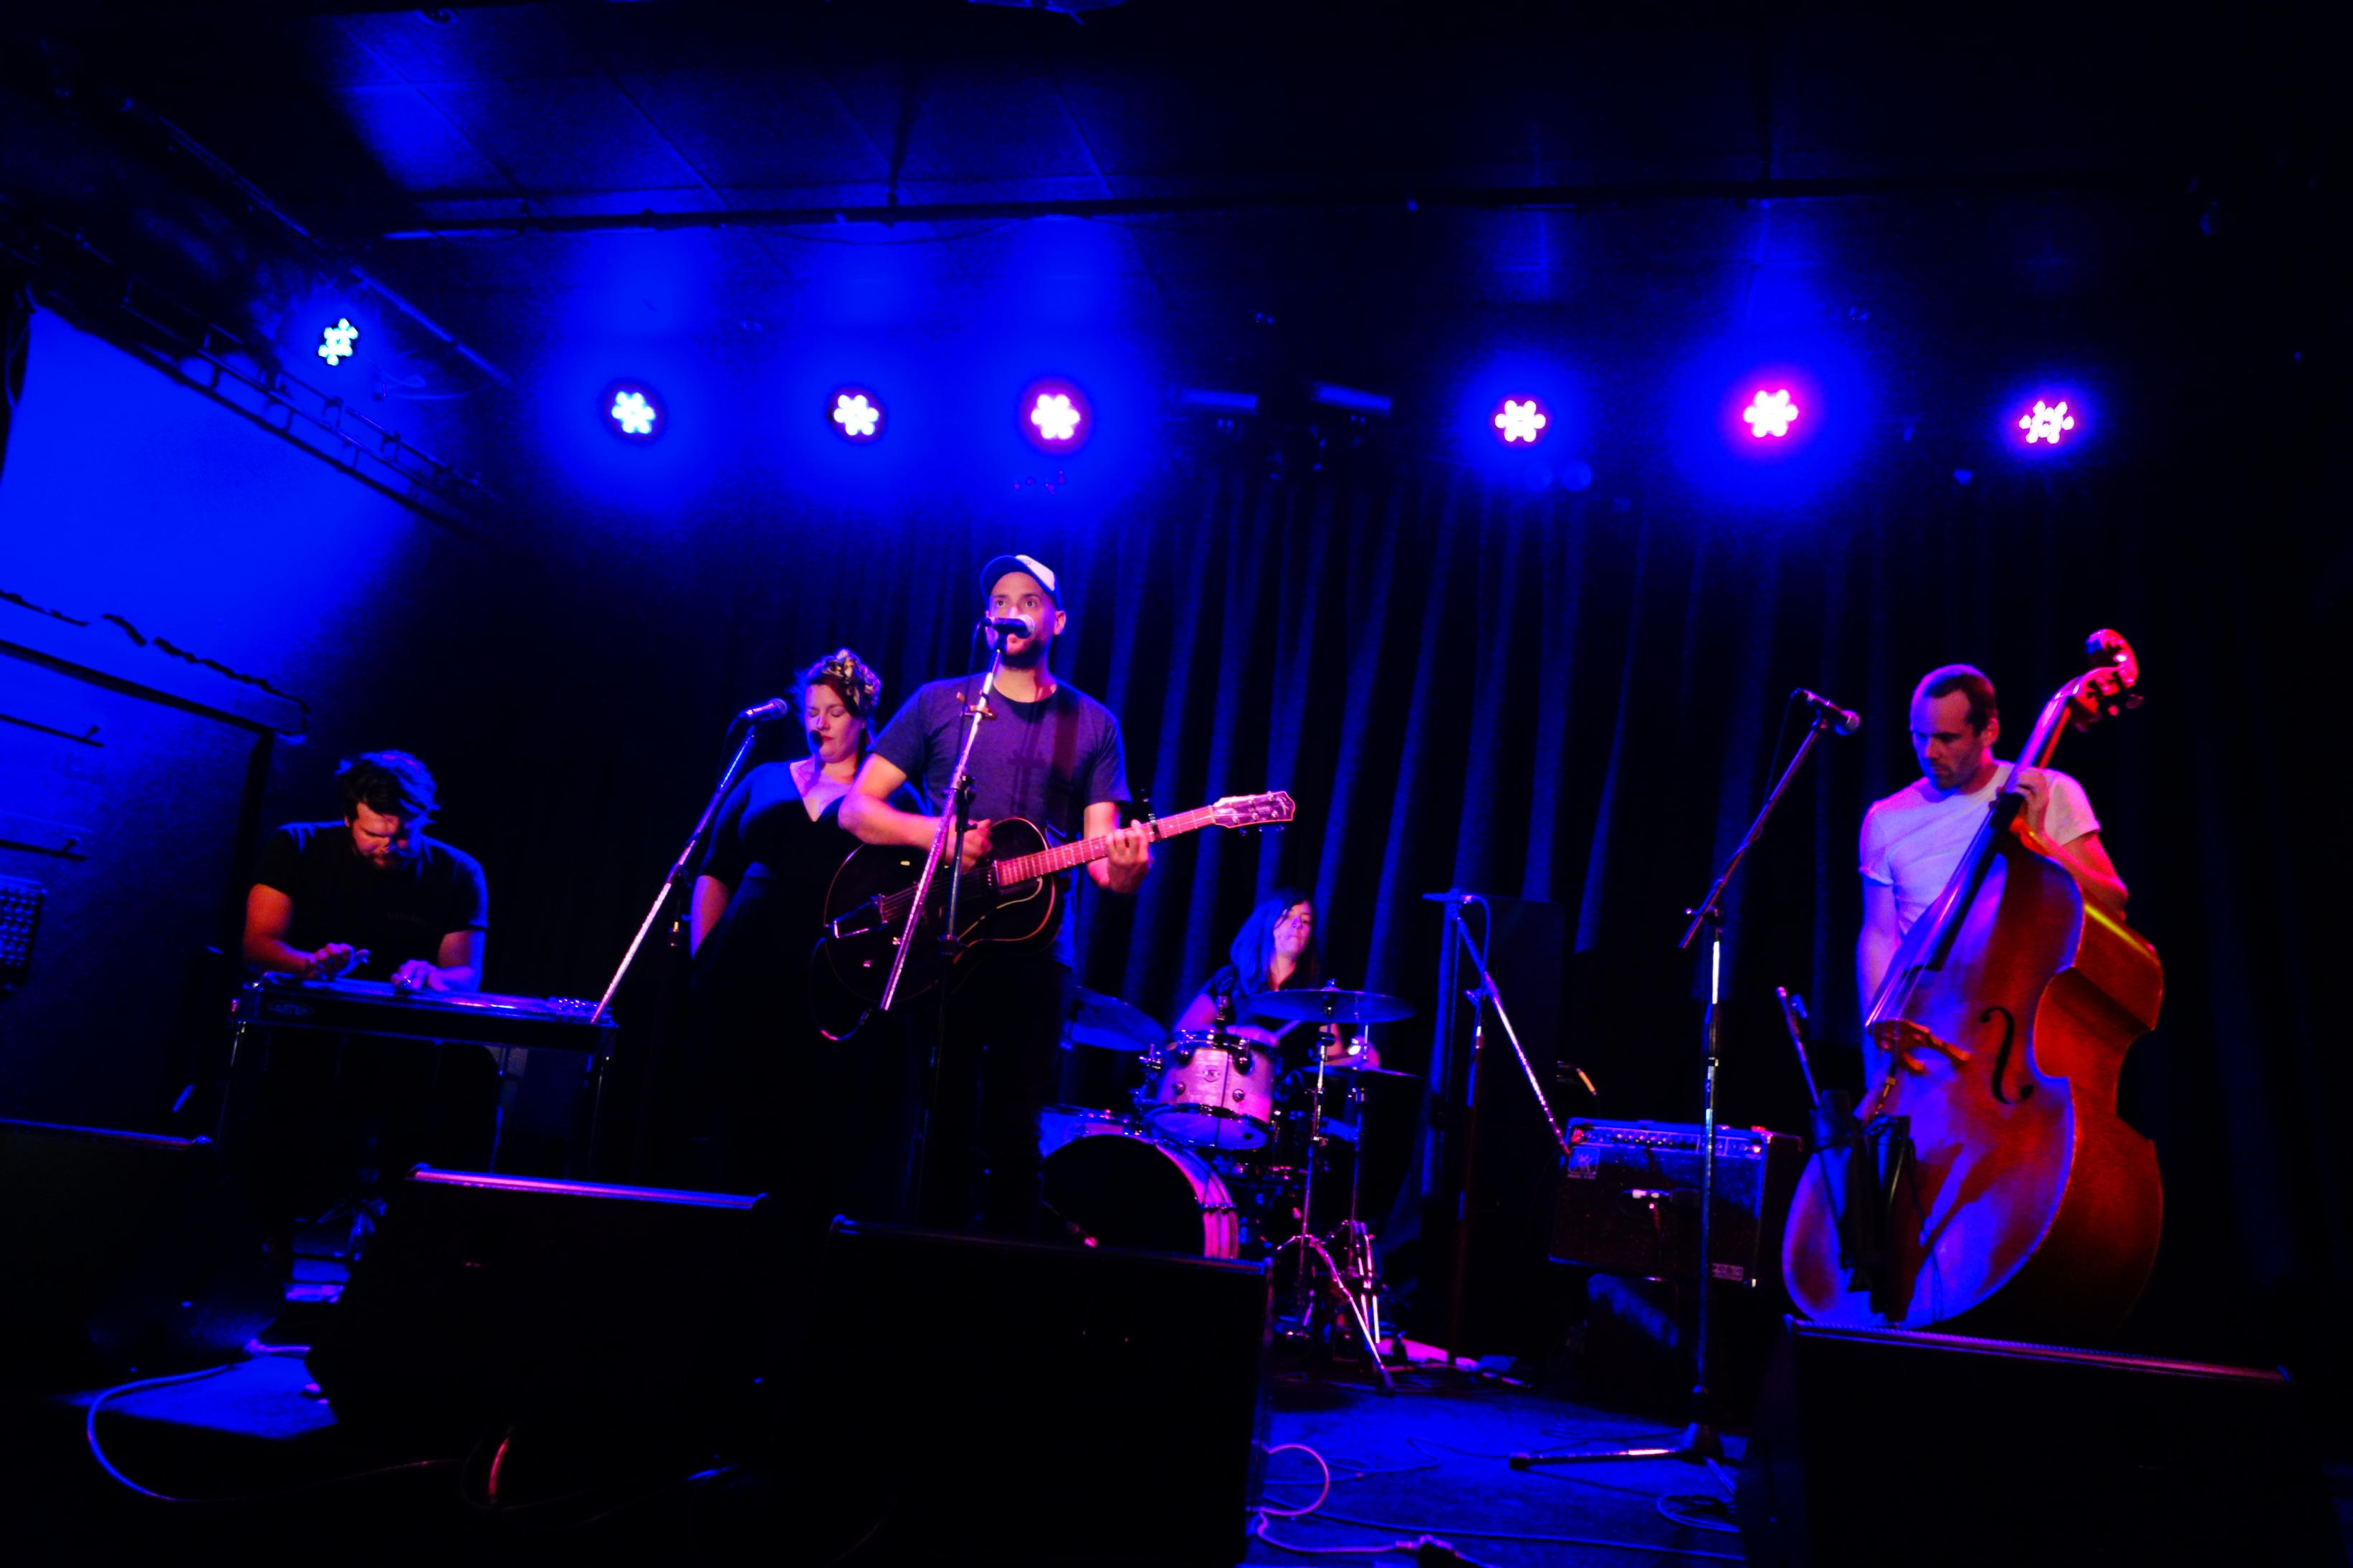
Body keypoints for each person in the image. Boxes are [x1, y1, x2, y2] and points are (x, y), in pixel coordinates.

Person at [842, 553, 1152, 1235]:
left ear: (1057, 621)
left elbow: (1104, 860)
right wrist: (941, 837)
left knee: (1015, 1128)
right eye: (1001, 601)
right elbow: (857, 810)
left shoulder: (1092, 723)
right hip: (940, 937)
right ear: (987, 620)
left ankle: (1005, 1274)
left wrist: (1127, 869)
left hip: (1037, 949)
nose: (1012, 610)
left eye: (1029, 601)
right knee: (937, 1118)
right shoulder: (939, 703)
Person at [684, 648, 913, 1197]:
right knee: (736, 1101)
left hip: (828, 974)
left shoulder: (888, 796)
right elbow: (715, 870)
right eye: (812, 711)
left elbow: (911, 889)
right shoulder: (764, 778)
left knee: (811, 1109)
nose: (820, 724)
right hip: (743, 962)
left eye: (834, 712)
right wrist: (705, 954)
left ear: (862, 717)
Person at [1856, 664, 2127, 1075]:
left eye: (1947, 738)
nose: (1929, 752)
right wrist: (1877, 1035)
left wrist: (2039, 839)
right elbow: (1879, 935)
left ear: (1989, 732)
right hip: (1927, 1027)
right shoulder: (1886, 819)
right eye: (1919, 735)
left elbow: (2113, 903)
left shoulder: (2050, 791)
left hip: (2022, 1020)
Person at [244, 750, 487, 991]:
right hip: (302, 1001)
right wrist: (314, 965)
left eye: (403, 835)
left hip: (403, 1008)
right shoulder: (297, 844)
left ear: (423, 819)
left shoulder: (459, 871)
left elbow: (467, 974)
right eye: (373, 834)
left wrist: (432, 976)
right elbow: (257, 947)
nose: (388, 846)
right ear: (348, 819)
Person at [1172, 889, 1373, 1068]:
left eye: (1305, 921)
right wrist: (1243, 1032)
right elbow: (1184, 1030)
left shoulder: (1316, 994)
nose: (1297, 925)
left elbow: (1330, 1067)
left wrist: (1357, 1060)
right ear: (1266, 924)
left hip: (1286, 1094)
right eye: (1286, 917)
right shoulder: (1230, 979)